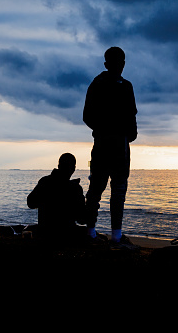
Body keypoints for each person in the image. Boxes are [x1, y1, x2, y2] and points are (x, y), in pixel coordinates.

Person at [83, 46, 138, 247]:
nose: (120, 66)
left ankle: (93, 233)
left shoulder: (98, 84)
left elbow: (87, 116)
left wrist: (104, 131)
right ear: (110, 64)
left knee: (98, 191)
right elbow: (132, 118)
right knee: (115, 191)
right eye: (119, 62)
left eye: (121, 62)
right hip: (117, 147)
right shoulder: (122, 86)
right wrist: (123, 134)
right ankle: (113, 235)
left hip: (105, 145)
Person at [27, 153, 87, 241]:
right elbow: (82, 220)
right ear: (74, 169)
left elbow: (30, 203)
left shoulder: (45, 181)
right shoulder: (75, 189)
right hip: (67, 234)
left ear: (59, 166)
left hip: (45, 233)